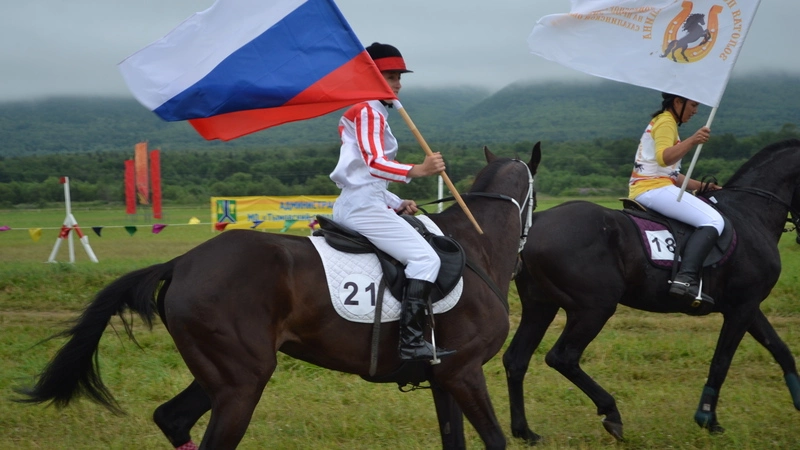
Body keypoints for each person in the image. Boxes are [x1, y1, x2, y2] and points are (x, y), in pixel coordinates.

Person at [329, 42, 455, 362]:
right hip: (362, 209)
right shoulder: (369, 110)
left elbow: (365, 179)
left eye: (399, 76)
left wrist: (395, 200)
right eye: (391, 76)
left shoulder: (367, 109)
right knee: (426, 261)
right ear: (372, 77)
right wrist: (419, 170)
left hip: (361, 202)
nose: (398, 83)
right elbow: (373, 163)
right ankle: (411, 342)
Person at [628, 92, 723, 304]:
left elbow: (670, 174)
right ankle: (685, 280)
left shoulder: (664, 122)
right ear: (678, 102)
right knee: (714, 220)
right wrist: (693, 140)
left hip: (653, 186)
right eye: (693, 105)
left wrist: (704, 186)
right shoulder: (666, 122)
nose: (695, 111)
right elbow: (665, 158)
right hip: (652, 190)